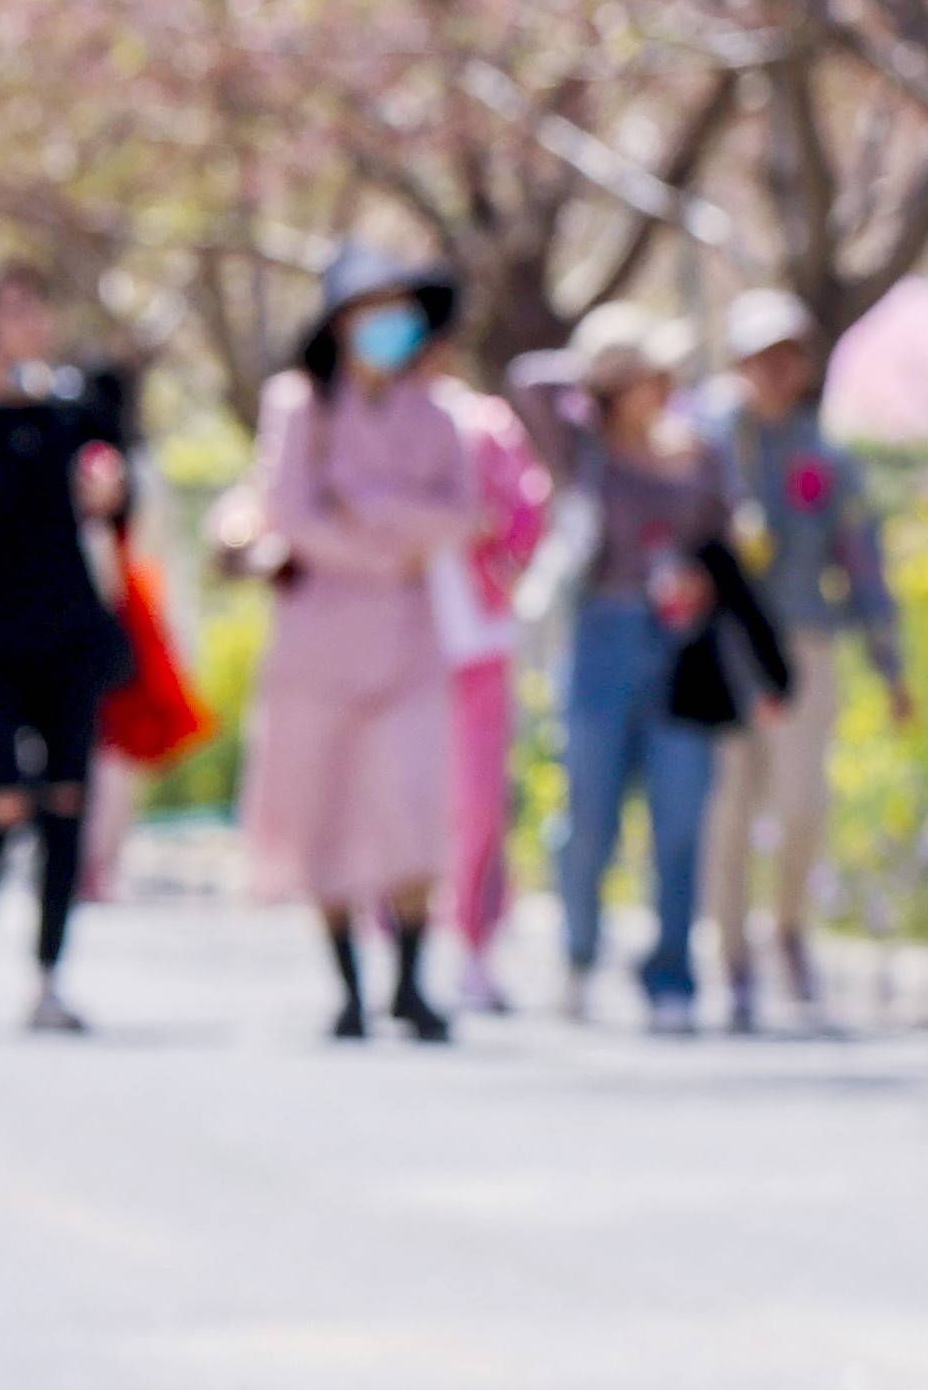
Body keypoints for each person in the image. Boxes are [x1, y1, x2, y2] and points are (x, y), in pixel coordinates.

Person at [239, 251, 486, 1041]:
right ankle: (346, 986)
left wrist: (368, 510)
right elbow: (289, 512)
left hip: (408, 640)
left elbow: (463, 515)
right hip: (318, 641)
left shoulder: (438, 413)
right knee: (326, 805)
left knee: (412, 801)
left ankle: (411, 982)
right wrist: (388, 544)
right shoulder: (300, 405)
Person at [0, 265, 137, 1028]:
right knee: (2, 799)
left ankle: (47, 973)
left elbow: (116, 494)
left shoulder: (76, 405)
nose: (28, 321)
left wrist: (112, 488)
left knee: (66, 802)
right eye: (9, 309)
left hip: (69, 632)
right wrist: (3, 405)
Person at [510, 304, 736, 1034]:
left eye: (662, 374)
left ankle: (670, 971)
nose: (659, 387)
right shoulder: (585, 454)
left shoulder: (697, 453)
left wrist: (699, 579)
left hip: (681, 648)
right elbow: (527, 381)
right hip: (601, 638)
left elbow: (724, 546)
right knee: (589, 814)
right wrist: (600, 362)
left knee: (679, 816)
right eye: (643, 376)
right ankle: (578, 953)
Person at [706, 287, 906, 1034]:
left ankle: (787, 929)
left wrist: (890, 665)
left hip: (803, 644)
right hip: (728, 649)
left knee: (800, 805)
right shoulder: (708, 447)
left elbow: (861, 562)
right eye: (759, 357)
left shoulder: (827, 459)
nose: (773, 370)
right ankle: (730, 959)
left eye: (785, 356)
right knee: (727, 809)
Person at [430, 351, 555, 1008]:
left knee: (478, 801)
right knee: (402, 796)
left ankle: (473, 941)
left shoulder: (481, 423)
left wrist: (495, 543)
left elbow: (528, 513)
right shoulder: (375, 422)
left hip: (477, 640)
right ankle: (396, 935)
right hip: (400, 647)